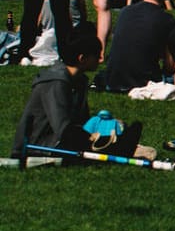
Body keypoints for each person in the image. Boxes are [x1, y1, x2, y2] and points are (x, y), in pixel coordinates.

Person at [11, 33, 143, 158]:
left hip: (63, 138)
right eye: (96, 55)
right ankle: (118, 147)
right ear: (82, 58)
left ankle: (118, 145)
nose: (100, 59)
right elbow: (63, 129)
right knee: (97, 143)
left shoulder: (79, 81)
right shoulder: (55, 82)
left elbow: (81, 121)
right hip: (40, 146)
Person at [99, 0, 175, 91]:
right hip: (143, 81)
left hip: (112, 80)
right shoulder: (167, 20)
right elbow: (169, 66)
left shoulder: (125, 11)